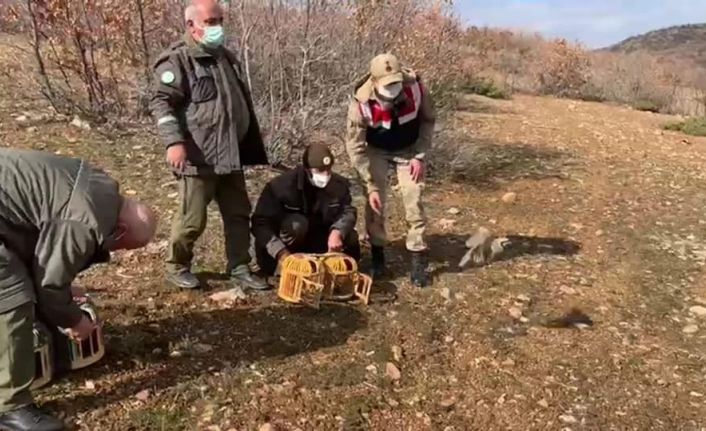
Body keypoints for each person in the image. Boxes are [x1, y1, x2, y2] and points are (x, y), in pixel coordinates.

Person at [0, 147, 157, 431]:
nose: (116, 250)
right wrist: (75, 320)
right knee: (10, 295)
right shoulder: (86, 220)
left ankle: (48, 358)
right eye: (122, 246)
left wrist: (60, 291)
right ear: (121, 229)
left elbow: (40, 246)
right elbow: (49, 283)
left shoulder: (101, 188)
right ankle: (10, 410)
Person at [150, 0, 269, 291]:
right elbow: (161, 102)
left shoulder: (225, 57)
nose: (218, 27)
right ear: (191, 25)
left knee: (238, 213)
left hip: (230, 153)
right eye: (210, 22)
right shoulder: (177, 60)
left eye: (220, 20)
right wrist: (174, 142)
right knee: (192, 219)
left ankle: (239, 266)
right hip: (199, 155)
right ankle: (177, 265)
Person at [345, 53, 436, 287]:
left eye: (396, 82)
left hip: (410, 150)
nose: (393, 89)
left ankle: (417, 258)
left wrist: (420, 155)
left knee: (413, 199)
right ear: (374, 83)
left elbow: (428, 120)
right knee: (375, 203)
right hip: (377, 150)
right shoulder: (361, 102)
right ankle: (377, 259)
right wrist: (369, 184)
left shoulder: (416, 88)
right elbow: (355, 146)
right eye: (387, 85)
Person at [251, 144, 360, 278]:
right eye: (320, 170)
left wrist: (337, 231)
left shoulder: (338, 185)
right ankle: (286, 266)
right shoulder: (281, 187)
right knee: (297, 224)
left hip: (317, 240)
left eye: (328, 169)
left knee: (350, 236)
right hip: (285, 246)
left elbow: (348, 211)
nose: (325, 175)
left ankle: (330, 266)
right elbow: (260, 223)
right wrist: (282, 254)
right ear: (307, 169)